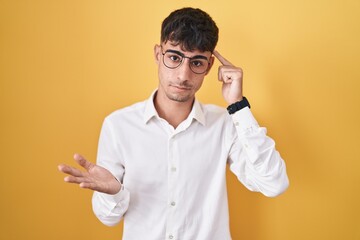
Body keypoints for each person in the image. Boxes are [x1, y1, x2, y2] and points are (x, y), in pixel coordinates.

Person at [58, 7, 289, 240]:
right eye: (174, 58)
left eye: (196, 63)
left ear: (209, 66)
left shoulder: (225, 124)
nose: (183, 75)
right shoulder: (118, 125)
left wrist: (238, 106)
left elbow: (273, 184)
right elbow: (107, 218)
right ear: (158, 54)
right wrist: (114, 192)